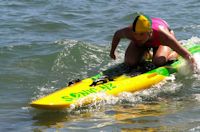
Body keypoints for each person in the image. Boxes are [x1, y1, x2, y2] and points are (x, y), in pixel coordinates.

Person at [110, 14, 195, 69]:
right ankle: (148, 53)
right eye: (136, 34)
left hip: (161, 41)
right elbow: (117, 35)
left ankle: (174, 50)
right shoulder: (129, 32)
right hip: (149, 38)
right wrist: (112, 51)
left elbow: (188, 55)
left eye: (142, 34)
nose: (138, 37)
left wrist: (195, 70)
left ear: (150, 32)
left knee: (158, 61)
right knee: (130, 62)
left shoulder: (163, 35)